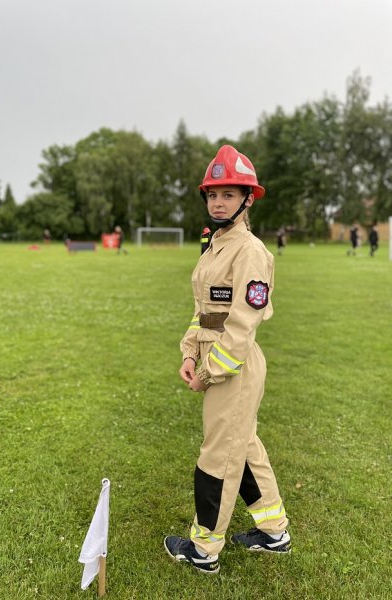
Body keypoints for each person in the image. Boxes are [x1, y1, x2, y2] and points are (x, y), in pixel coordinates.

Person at [164, 145, 290, 575]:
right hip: (215, 359)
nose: (218, 202)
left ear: (247, 199)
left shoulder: (250, 251)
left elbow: (241, 325)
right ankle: (274, 532)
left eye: (228, 194)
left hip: (233, 367)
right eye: (213, 195)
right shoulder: (215, 244)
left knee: (218, 456)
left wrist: (207, 371)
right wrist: (188, 351)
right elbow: (203, 311)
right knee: (244, 446)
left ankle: (204, 550)